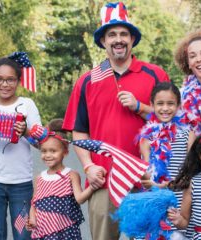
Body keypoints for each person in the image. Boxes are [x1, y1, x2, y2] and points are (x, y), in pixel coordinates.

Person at [62, 2, 169, 239]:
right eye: (112, 35)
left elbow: (170, 122)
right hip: (104, 178)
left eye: (123, 34)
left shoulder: (155, 74)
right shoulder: (88, 81)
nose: (118, 39)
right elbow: (79, 133)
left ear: (132, 39)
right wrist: (89, 167)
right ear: (103, 41)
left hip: (146, 178)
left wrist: (140, 107)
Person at [0, 54, 41, 240]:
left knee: (23, 235)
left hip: (21, 185)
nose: (4, 84)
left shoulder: (27, 105)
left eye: (10, 79)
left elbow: (41, 143)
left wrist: (26, 132)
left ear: (18, 81)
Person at [26, 120, 95, 239]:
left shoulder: (71, 175)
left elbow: (79, 199)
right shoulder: (39, 178)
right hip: (43, 231)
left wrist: (93, 187)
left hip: (66, 231)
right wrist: (32, 219)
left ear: (65, 152)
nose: (47, 155)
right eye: (44, 151)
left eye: (53, 151)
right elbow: (34, 203)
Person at [139, 82, 195, 189]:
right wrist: (144, 176)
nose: (165, 108)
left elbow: (191, 169)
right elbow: (146, 173)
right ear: (152, 105)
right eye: (160, 103)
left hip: (180, 196)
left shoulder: (188, 135)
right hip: (155, 196)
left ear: (178, 105)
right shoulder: (147, 137)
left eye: (170, 103)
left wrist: (170, 185)